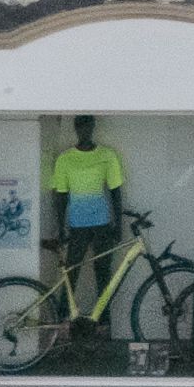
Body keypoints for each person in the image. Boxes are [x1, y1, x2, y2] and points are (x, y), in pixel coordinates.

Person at [44, 116, 127, 317]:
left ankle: (103, 322)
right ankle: (63, 321)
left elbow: (116, 192)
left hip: (103, 224)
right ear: (75, 129)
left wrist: (119, 223)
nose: (84, 130)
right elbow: (61, 196)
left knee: (104, 275)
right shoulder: (65, 159)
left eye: (88, 126)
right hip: (77, 225)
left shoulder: (107, 155)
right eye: (80, 127)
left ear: (93, 128)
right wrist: (61, 226)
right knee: (71, 275)